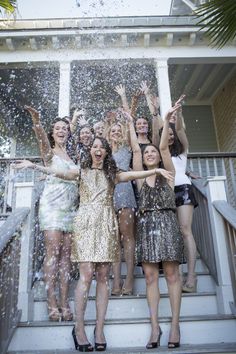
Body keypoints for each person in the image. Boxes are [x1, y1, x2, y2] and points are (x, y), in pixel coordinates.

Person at [14, 136, 173, 352]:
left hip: (107, 225)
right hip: (85, 224)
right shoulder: (80, 172)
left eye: (102, 148)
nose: (98, 150)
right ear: (90, 152)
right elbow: (59, 172)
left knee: (103, 278)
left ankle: (99, 329)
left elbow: (133, 174)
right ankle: (78, 328)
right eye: (95, 147)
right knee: (86, 275)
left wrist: (154, 171)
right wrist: (34, 165)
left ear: (106, 153)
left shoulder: (112, 175)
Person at [127, 103, 184, 349]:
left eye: (153, 152)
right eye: (146, 152)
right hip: (147, 226)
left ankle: (174, 325)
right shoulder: (139, 177)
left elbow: (162, 145)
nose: (150, 154)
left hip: (168, 224)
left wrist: (167, 118)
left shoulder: (168, 173)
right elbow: (135, 152)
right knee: (150, 277)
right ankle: (154, 327)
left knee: (171, 274)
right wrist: (130, 122)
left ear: (160, 156)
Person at [24, 106, 78, 322]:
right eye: (57, 128)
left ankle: (65, 301)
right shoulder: (49, 153)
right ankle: (51, 301)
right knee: (53, 253)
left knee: (67, 257)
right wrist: (36, 120)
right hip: (52, 208)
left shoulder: (72, 155)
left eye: (65, 128)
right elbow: (41, 139)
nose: (61, 131)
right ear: (52, 132)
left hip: (70, 209)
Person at [168, 96, 198, 293]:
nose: (170, 136)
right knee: (174, 231)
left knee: (185, 229)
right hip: (168, 193)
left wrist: (177, 113)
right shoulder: (161, 152)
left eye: (171, 134)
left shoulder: (182, 150)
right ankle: (175, 274)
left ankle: (192, 275)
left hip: (184, 189)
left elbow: (179, 129)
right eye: (167, 134)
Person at [106, 121, 136, 295]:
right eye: (113, 131)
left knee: (127, 236)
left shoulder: (127, 148)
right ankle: (116, 280)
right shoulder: (103, 150)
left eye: (119, 130)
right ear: (108, 134)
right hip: (108, 192)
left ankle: (130, 277)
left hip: (124, 189)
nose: (116, 133)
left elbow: (129, 129)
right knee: (114, 239)